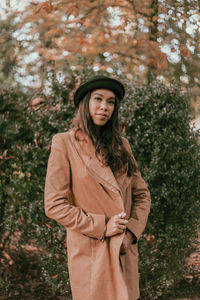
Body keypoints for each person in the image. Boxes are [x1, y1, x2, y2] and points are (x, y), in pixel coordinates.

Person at [44, 75, 151, 300]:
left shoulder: (122, 145)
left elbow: (141, 195)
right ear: (85, 103)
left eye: (111, 101)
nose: (104, 107)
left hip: (123, 251)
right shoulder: (64, 143)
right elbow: (54, 204)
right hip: (92, 254)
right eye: (98, 99)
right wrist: (101, 226)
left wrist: (130, 233)